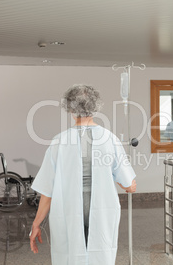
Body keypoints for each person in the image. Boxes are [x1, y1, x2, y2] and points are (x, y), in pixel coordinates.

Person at [29, 84, 137, 264]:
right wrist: (122, 180)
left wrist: (36, 224)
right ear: (95, 107)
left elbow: (47, 191)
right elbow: (129, 186)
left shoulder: (60, 141)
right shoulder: (110, 139)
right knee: (100, 253)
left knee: (70, 254)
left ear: (70, 108)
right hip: (102, 209)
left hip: (68, 209)